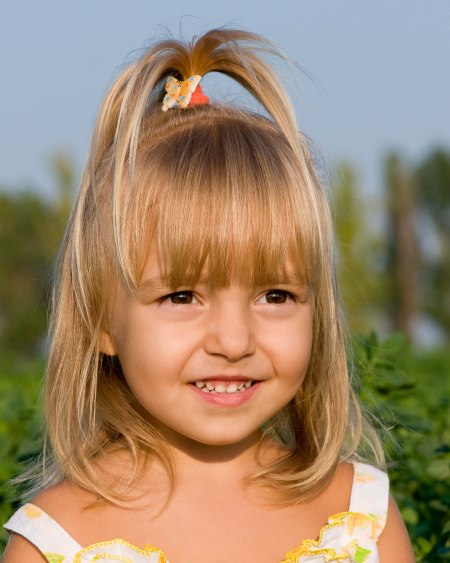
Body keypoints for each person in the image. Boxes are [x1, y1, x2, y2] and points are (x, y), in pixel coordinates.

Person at [2, 28, 414, 563]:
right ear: (102, 318)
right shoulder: (56, 538)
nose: (234, 340)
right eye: (181, 297)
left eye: (275, 295)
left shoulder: (363, 518)